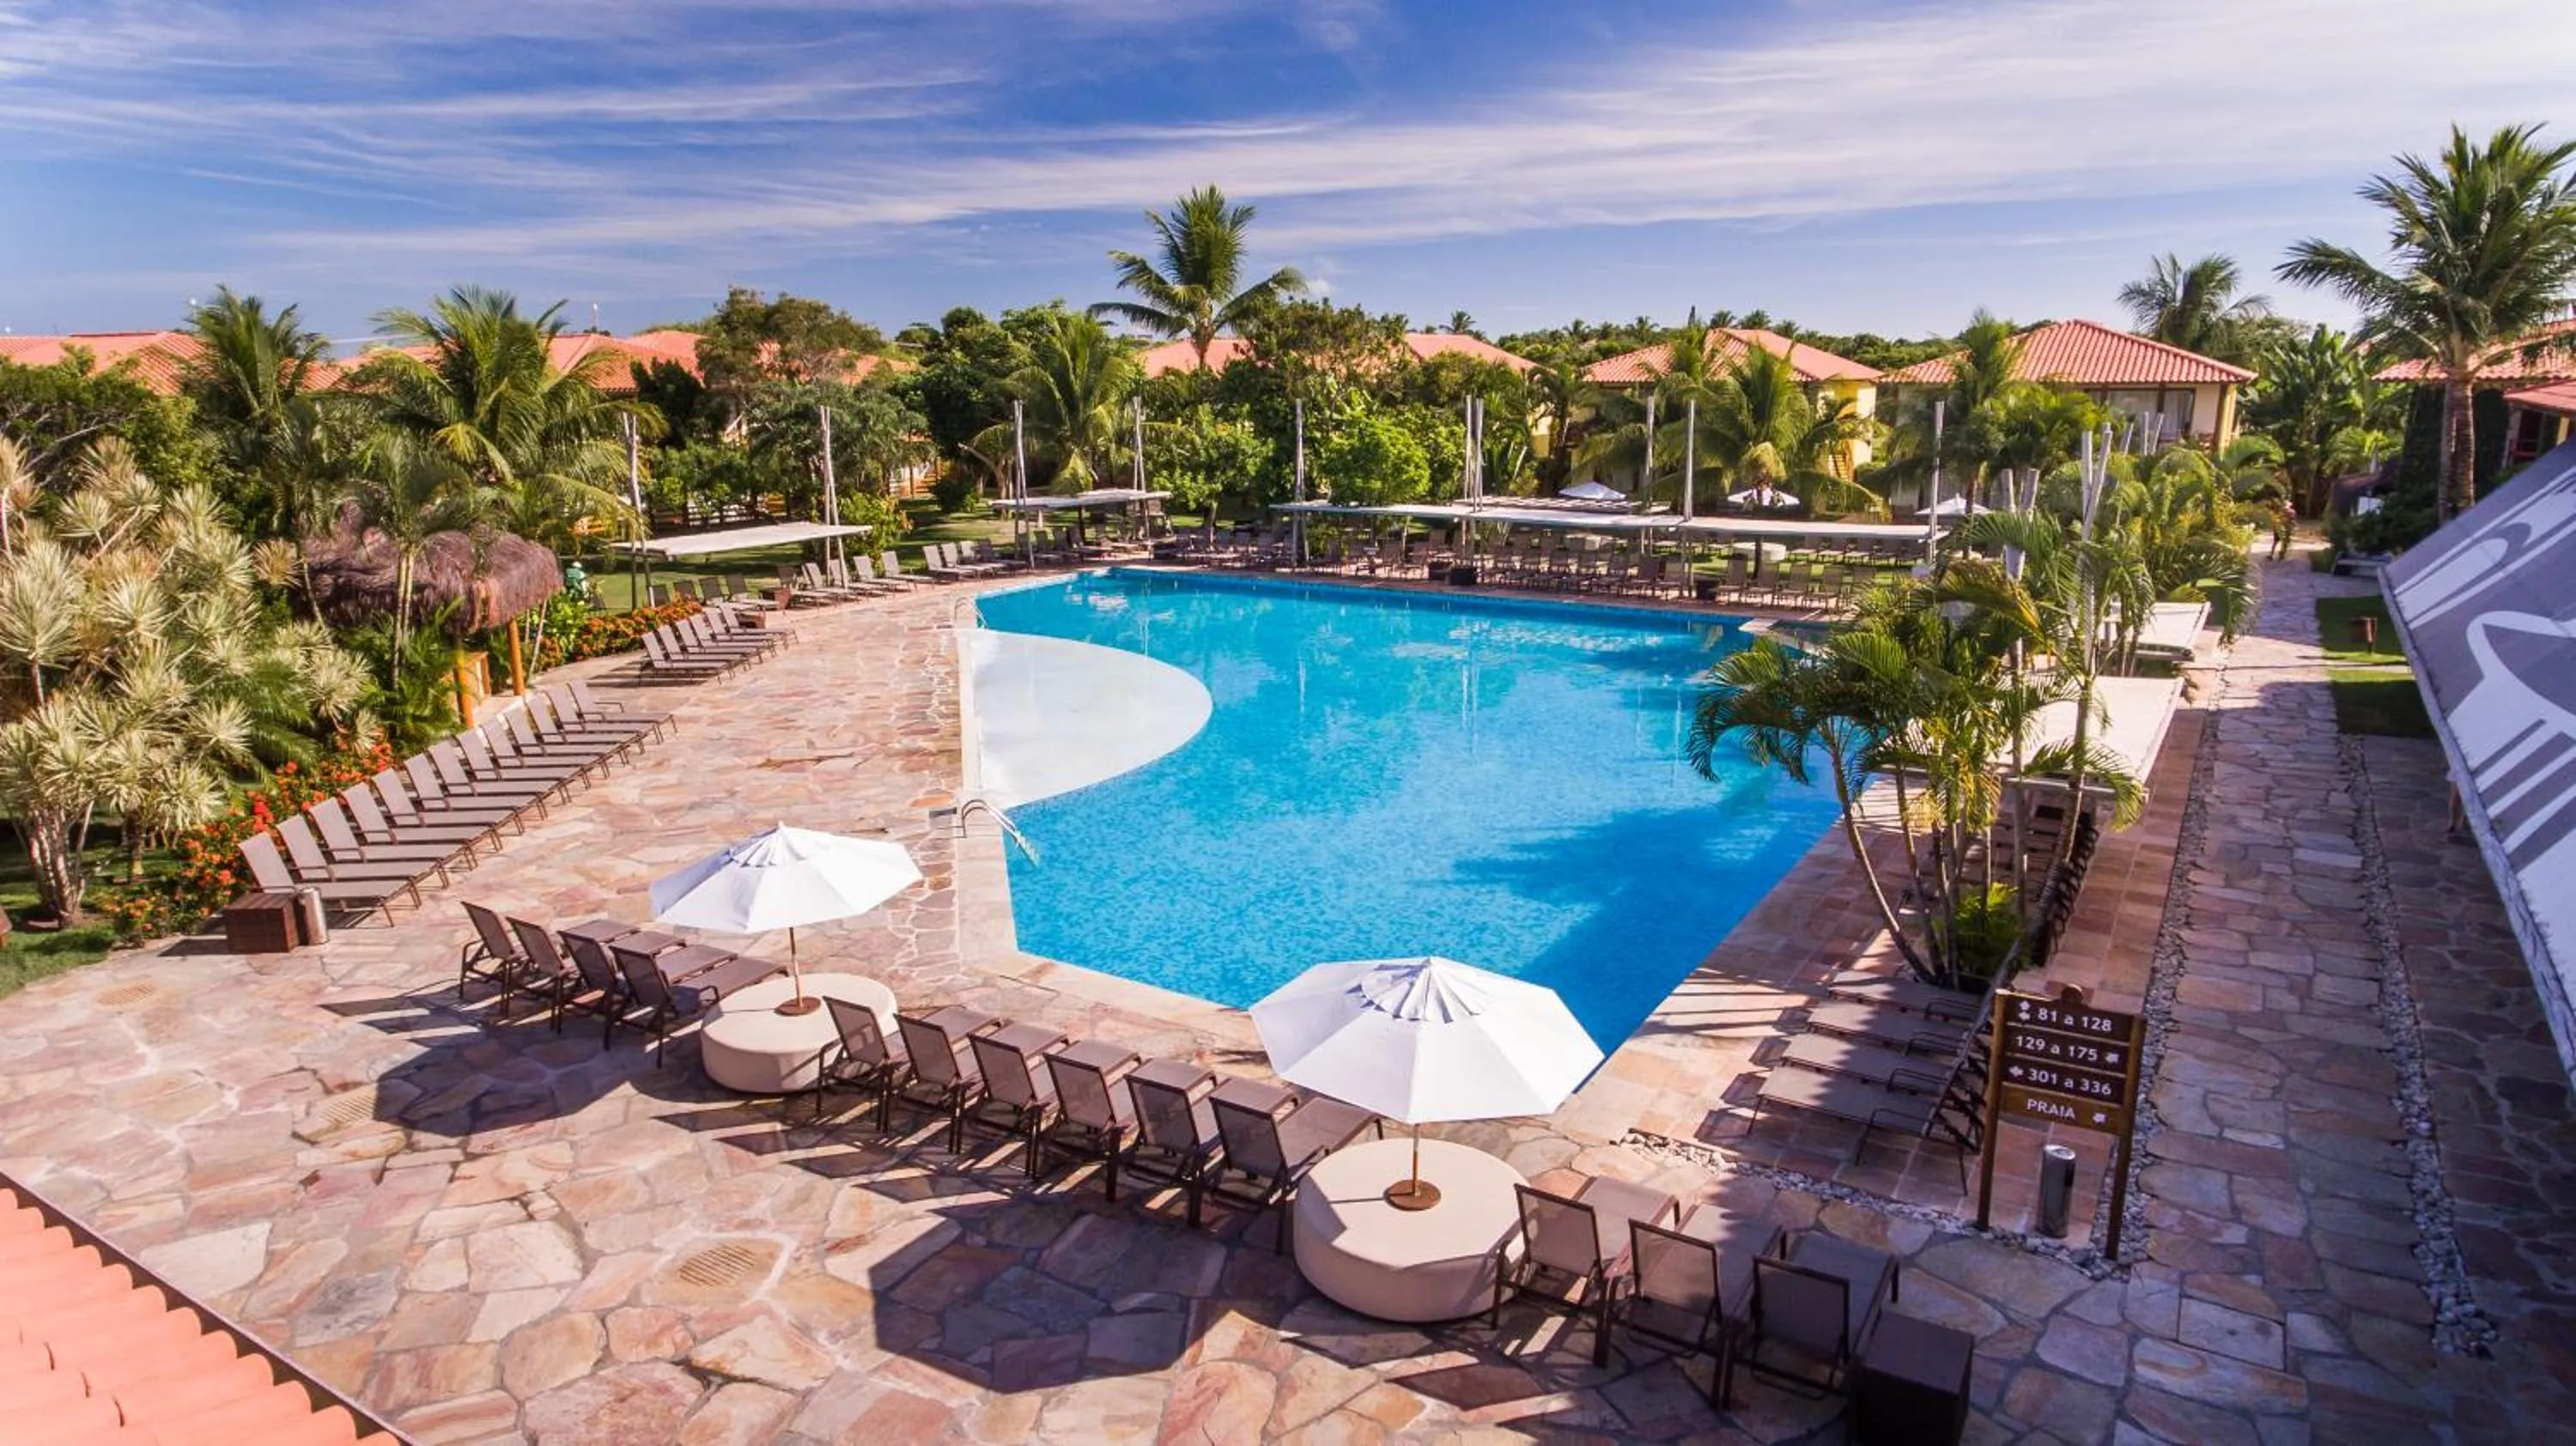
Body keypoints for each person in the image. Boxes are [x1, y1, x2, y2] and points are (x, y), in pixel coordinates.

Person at [2269, 496, 2295, 561]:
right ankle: (2275, 554)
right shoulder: (2275, 512)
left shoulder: (2283, 511)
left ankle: (2279, 554)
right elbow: (2275, 521)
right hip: (2280, 529)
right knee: (2279, 542)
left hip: (2282, 529)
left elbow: (2290, 520)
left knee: (2281, 542)